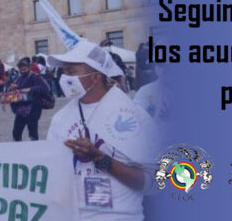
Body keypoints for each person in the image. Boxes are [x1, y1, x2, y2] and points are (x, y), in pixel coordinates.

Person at [46, 41, 156, 221]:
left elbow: (152, 183)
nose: (64, 78)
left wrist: (100, 158)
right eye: (64, 72)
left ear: (95, 77)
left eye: (71, 72)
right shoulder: (60, 119)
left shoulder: (134, 117)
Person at [8, 57, 49, 141]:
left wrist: (30, 89)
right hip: (20, 110)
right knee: (16, 133)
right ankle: (19, 150)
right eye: (21, 66)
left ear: (29, 66)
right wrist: (12, 88)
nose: (23, 68)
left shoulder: (36, 76)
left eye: (25, 66)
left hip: (33, 108)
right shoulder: (18, 78)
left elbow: (45, 88)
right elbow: (10, 91)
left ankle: (34, 151)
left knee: (33, 134)